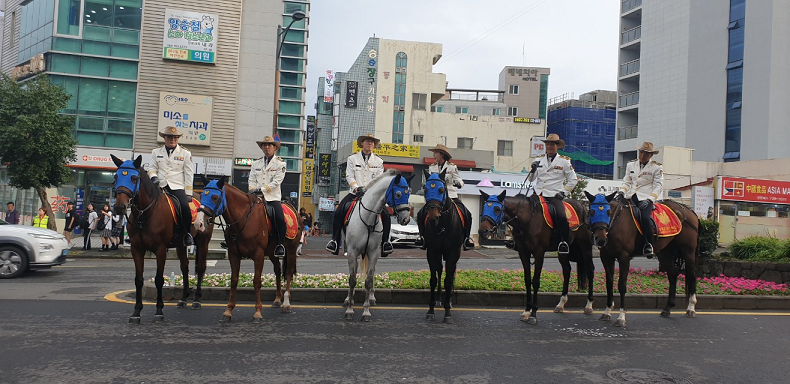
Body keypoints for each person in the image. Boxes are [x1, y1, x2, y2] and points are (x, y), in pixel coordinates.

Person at [325, 134, 393, 256]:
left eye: (372, 142)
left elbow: (379, 179)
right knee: (339, 212)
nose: (370, 144)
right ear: (362, 143)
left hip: (372, 195)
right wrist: (356, 188)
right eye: (367, 141)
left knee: (386, 215)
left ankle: (385, 243)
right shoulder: (352, 159)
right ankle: (334, 241)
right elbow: (349, 175)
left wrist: (369, 190)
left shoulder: (379, 161)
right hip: (355, 193)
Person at [415, 144, 475, 250]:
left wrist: (459, 183)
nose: (434, 155)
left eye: (435, 153)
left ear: (442, 154)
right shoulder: (431, 167)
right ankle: (422, 237)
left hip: (450, 195)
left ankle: (466, 238)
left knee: (467, 214)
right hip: (435, 197)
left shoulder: (452, 167)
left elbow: (459, 180)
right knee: (421, 214)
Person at [528, 133, 578, 255]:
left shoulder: (564, 161)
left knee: (561, 216)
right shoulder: (538, 160)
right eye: (547, 144)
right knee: (521, 211)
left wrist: (564, 192)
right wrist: (533, 169)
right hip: (538, 194)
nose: (549, 147)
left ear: (557, 146)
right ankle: (518, 240)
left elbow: (573, 179)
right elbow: (530, 179)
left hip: (554, 195)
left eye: (552, 144)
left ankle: (563, 242)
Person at [149, 126, 195, 246]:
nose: (172, 139)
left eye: (175, 137)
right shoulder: (156, 152)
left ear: (178, 138)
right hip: (159, 186)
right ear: (164, 138)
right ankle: (139, 232)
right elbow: (152, 168)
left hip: (177, 186)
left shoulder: (185, 153)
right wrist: (154, 177)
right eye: (169, 137)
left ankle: (186, 233)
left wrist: (189, 193)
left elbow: (189, 174)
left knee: (185, 207)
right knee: (142, 203)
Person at [618, 141, 664, 257]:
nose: (642, 155)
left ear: (651, 155)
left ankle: (649, 244)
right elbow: (627, 181)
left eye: (646, 154)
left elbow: (658, 186)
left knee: (644, 218)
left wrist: (649, 200)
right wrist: (622, 191)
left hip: (645, 198)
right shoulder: (631, 165)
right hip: (631, 196)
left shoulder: (656, 167)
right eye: (641, 152)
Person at [249, 136, 287, 258]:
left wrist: (262, 190)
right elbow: (251, 179)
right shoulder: (256, 163)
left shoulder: (280, 163)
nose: (266, 147)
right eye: (264, 145)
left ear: (275, 148)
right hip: (255, 196)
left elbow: (277, 182)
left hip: (272, 197)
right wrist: (252, 190)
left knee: (280, 218)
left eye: (269, 145)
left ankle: (280, 244)